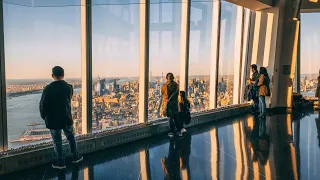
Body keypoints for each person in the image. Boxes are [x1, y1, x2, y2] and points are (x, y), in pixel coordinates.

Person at [39, 66, 83, 169]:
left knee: (57, 141)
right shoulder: (69, 87)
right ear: (63, 75)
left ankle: (61, 162)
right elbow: (68, 99)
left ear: (52, 75)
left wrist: (44, 116)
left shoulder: (48, 89)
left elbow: (43, 105)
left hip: (53, 119)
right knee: (71, 137)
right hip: (66, 117)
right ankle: (75, 157)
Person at [161, 73, 179, 138]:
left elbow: (162, 92)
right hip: (175, 103)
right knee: (176, 117)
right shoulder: (176, 85)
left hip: (168, 104)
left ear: (166, 78)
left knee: (170, 119)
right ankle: (178, 130)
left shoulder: (165, 86)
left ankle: (171, 131)